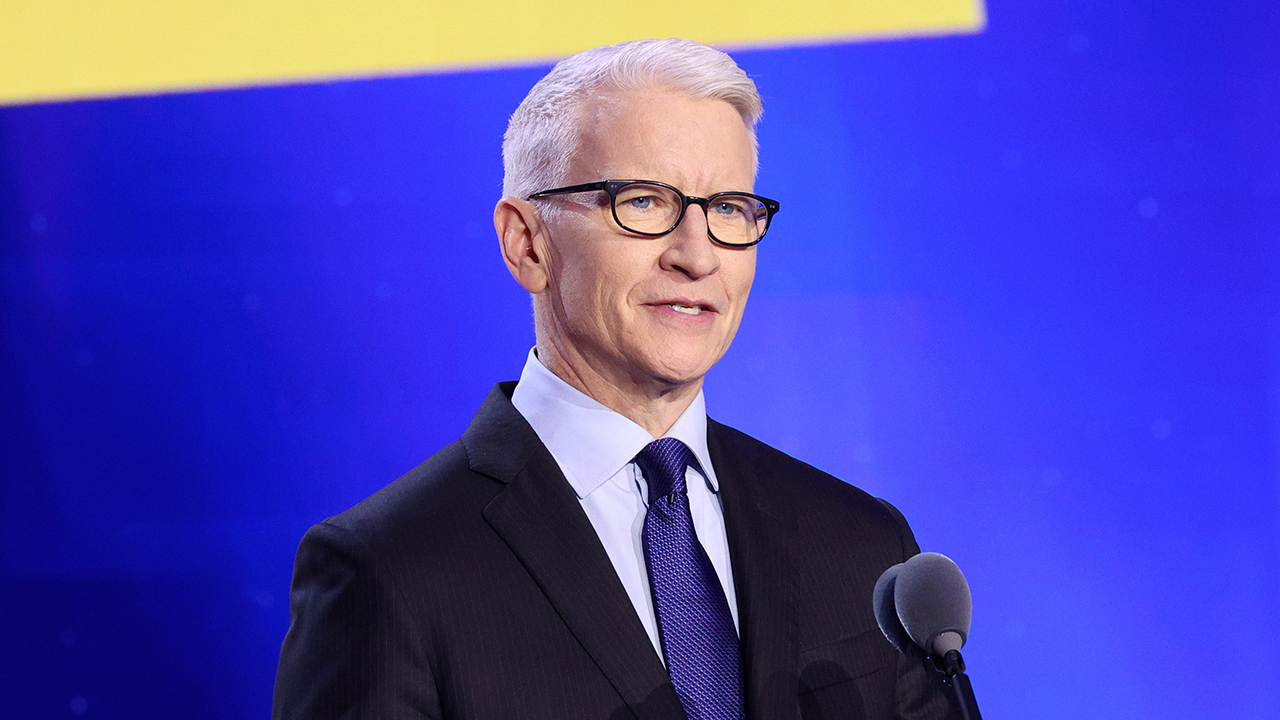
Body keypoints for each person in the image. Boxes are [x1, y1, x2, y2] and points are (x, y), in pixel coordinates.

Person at [273, 38, 959, 720]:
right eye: (644, 201)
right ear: (527, 243)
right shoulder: (391, 569)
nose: (697, 256)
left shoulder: (863, 545)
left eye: (727, 208)